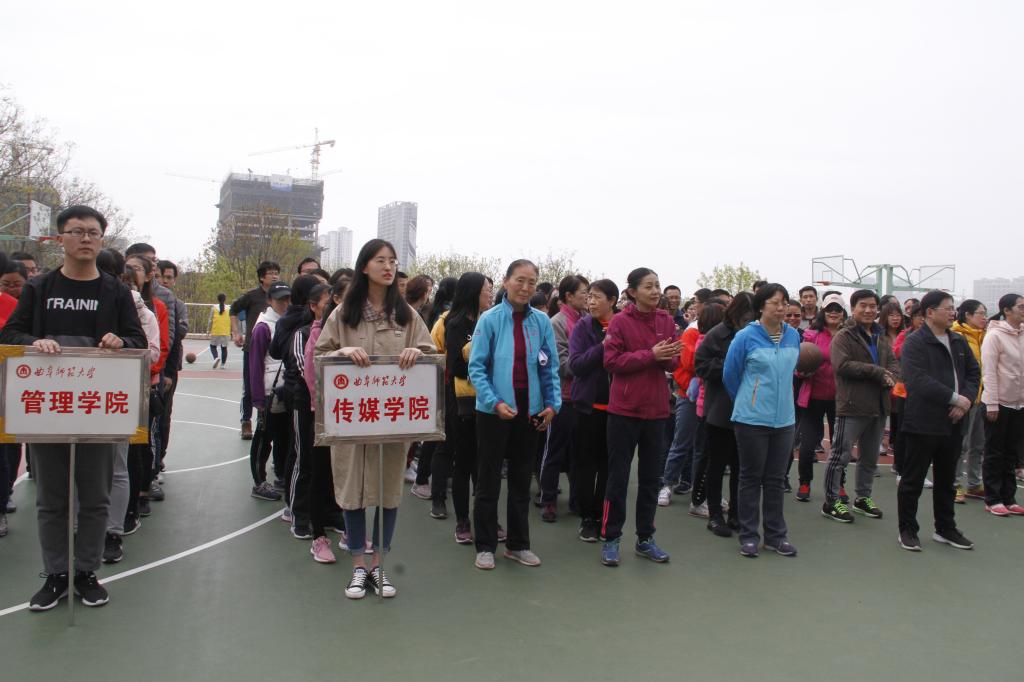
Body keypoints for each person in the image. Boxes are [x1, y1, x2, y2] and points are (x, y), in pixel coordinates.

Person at [0, 205, 147, 611]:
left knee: (96, 497)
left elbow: (137, 341)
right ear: (60, 238)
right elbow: (10, 333)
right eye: (77, 231)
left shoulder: (116, 292)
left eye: (93, 232)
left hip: (97, 409)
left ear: (101, 239)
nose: (85, 238)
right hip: (49, 409)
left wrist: (121, 342)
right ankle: (56, 574)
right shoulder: (39, 288)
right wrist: (33, 342)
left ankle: (86, 572)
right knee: (52, 498)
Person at [315, 239, 435, 599]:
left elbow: (430, 353)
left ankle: (379, 567)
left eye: (392, 261)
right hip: (353, 422)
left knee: (388, 492)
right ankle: (358, 567)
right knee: (352, 492)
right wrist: (342, 350)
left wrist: (417, 352)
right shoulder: (343, 313)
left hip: (391, 422)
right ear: (364, 266)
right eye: (380, 260)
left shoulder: (406, 314)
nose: (388, 267)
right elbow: (320, 355)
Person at [468, 259, 559, 571]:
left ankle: (518, 545)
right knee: (488, 480)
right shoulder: (490, 319)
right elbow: (476, 368)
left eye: (532, 282)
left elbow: (549, 367)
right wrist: (494, 402)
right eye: (520, 280)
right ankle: (485, 545)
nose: (525, 287)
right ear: (506, 281)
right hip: (493, 411)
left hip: (530, 409)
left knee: (521, 480)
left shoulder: (541, 322)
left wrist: (552, 405)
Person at [599, 267, 678, 566]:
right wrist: (651, 355)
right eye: (649, 286)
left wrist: (669, 357)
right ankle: (611, 538)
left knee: (650, 479)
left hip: (656, 411)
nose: (655, 291)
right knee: (618, 477)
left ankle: (645, 538)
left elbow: (673, 360)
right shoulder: (620, 321)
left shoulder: (666, 320)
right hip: (624, 411)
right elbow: (611, 361)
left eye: (657, 285)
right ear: (632, 292)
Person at [897, 290, 980, 551]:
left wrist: (965, 401)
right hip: (923, 421)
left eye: (954, 307)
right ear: (930, 312)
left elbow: (974, 373)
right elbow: (917, 380)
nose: (953, 312)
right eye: (948, 308)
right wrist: (955, 399)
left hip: (954, 422)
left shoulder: (957, 340)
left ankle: (945, 528)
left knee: (946, 480)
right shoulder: (915, 342)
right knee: (913, 480)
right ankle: (907, 530)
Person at [723, 284, 800, 558]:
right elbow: (731, 375)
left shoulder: (793, 336)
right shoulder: (745, 336)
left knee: (776, 479)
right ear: (760, 306)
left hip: (784, 420)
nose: (781, 308)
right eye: (775, 302)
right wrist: (749, 401)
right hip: (751, 419)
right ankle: (748, 536)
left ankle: (776, 536)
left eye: (785, 303)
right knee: (750, 477)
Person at [820, 290, 899, 523]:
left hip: (878, 406)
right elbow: (842, 365)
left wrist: (892, 376)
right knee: (840, 456)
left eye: (872, 306)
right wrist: (877, 372)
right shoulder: (844, 336)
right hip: (852, 406)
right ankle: (831, 501)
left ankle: (863, 498)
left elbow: (894, 365)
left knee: (869, 458)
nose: (868, 310)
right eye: (863, 305)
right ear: (853, 309)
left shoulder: (880, 336)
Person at [439, 272, 493, 543]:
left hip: (489, 401)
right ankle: (462, 520)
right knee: (464, 462)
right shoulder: (456, 323)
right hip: (463, 403)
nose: (490, 294)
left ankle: (487, 519)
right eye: (486, 289)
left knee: (486, 464)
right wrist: (482, 360)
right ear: (473, 292)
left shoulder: (491, 319)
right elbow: (456, 367)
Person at [567, 279, 617, 542]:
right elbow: (576, 364)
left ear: (612, 301)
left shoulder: (622, 324)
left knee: (610, 466)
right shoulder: (583, 327)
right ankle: (587, 517)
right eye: (589, 297)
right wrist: (603, 346)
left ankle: (602, 516)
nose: (591, 302)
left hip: (619, 409)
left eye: (597, 297)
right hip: (587, 408)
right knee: (585, 465)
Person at [538, 274, 588, 522]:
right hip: (562, 398)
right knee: (555, 450)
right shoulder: (556, 323)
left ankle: (577, 500)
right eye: (584, 293)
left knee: (581, 452)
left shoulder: (588, 321)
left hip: (583, 397)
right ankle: (548, 500)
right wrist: (591, 362)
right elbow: (561, 364)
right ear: (568, 296)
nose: (588, 298)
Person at [793, 293, 846, 502]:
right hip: (813, 397)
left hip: (840, 399)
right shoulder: (811, 335)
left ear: (843, 313)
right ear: (823, 312)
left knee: (839, 445)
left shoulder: (848, 336)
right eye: (830, 309)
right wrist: (802, 371)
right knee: (807, 444)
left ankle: (839, 485)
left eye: (838, 309)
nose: (834, 312)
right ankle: (805, 482)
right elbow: (799, 365)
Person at [693, 298, 738, 534]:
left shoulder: (759, 334)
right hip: (718, 409)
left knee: (741, 466)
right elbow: (700, 366)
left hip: (749, 412)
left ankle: (736, 513)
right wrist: (732, 364)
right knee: (715, 462)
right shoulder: (715, 335)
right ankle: (712, 512)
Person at [247, 281, 292, 502]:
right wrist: (258, 398)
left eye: (288, 298)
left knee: (284, 436)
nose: (285, 303)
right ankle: (259, 481)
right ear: (269, 301)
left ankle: (282, 476)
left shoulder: (289, 322)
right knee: (264, 437)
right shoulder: (263, 327)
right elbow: (255, 364)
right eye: (280, 299)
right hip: (268, 391)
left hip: (286, 389)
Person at [980, 293, 1024, 516]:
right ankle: (993, 498)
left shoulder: (1022, 334)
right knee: (994, 452)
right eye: (1021, 307)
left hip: (1019, 403)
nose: (1023, 310)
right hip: (998, 403)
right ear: (1006, 311)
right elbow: (988, 372)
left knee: (1011, 453)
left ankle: (1009, 497)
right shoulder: (994, 335)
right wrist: (992, 403)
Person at [230, 261, 281, 439]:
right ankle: (246, 420)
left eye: (276, 273)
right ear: (261, 277)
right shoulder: (252, 296)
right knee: (250, 386)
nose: (275, 276)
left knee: (270, 387)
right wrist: (236, 332)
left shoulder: (282, 295)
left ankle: (262, 418)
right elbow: (233, 310)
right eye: (271, 273)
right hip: (252, 348)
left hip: (275, 350)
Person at [951, 300, 987, 503]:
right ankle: (954, 484)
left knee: (978, 444)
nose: (984, 317)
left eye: (985, 313)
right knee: (961, 444)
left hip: (983, 397)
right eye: (980, 313)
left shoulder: (984, 336)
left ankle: (974, 483)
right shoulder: (957, 336)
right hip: (965, 398)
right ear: (967, 315)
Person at [210, 293, 231, 368]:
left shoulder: (214, 308)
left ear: (217, 299)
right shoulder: (229, 308)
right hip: (226, 331)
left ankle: (216, 358)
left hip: (216, 330)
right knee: (224, 348)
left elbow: (210, 320)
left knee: (212, 346)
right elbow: (231, 320)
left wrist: (207, 330)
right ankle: (223, 364)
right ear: (225, 299)